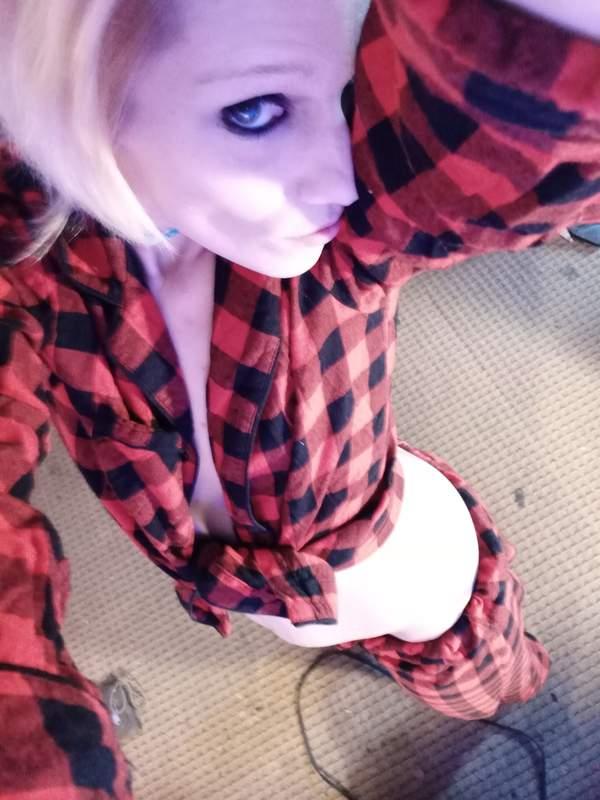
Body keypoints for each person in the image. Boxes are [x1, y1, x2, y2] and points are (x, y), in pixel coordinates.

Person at [1, 1, 599, 796]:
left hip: (404, 567)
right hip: (272, 591)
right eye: (256, 111)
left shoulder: (352, 233)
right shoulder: (32, 254)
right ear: (79, 98)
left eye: (344, 94)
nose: (337, 176)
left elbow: (512, 119)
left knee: (489, 684)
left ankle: (519, 683)